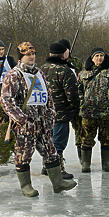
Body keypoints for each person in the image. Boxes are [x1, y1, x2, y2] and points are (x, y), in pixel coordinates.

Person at [0, 41, 77, 197]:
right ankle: (26, 186)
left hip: (43, 123)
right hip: (25, 125)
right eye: (28, 54)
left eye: (33, 54)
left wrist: (50, 116)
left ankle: (58, 183)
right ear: (21, 56)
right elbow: (7, 101)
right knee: (23, 155)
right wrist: (22, 120)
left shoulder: (39, 73)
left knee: (51, 152)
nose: (32, 57)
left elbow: (49, 97)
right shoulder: (14, 75)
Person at [40, 42, 80, 179]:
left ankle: (46, 165)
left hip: (44, 113)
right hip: (61, 113)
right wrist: (74, 108)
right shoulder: (65, 71)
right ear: (64, 54)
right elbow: (72, 94)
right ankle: (58, 169)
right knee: (58, 142)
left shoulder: (40, 70)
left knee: (47, 139)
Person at [77, 47, 109, 173]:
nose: (99, 58)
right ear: (92, 58)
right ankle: (86, 165)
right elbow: (78, 90)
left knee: (106, 138)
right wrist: (81, 104)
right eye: (97, 56)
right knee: (86, 138)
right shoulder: (84, 73)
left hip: (106, 112)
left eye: (101, 55)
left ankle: (106, 164)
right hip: (88, 112)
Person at [58, 38, 84, 163]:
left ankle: (82, 156)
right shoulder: (55, 63)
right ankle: (56, 158)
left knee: (80, 129)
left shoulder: (76, 62)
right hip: (60, 104)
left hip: (75, 99)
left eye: (66, 49)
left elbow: (83, 76)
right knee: (58, 134)